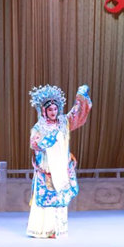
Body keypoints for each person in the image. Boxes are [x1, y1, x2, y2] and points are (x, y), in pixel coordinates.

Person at [26, 84, 92, 238]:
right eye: (50, 110)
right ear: (44, 111)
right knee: (46, 200)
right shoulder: (39, 127)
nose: (53, 112)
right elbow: (34, 144)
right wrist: (46, 141)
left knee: (60, 200)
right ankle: (43, 230)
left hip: (61, 168)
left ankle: (58, 230)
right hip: (46, 168)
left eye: (55, 109)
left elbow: (77, 113)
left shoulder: (63, 122)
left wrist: (81, 97)